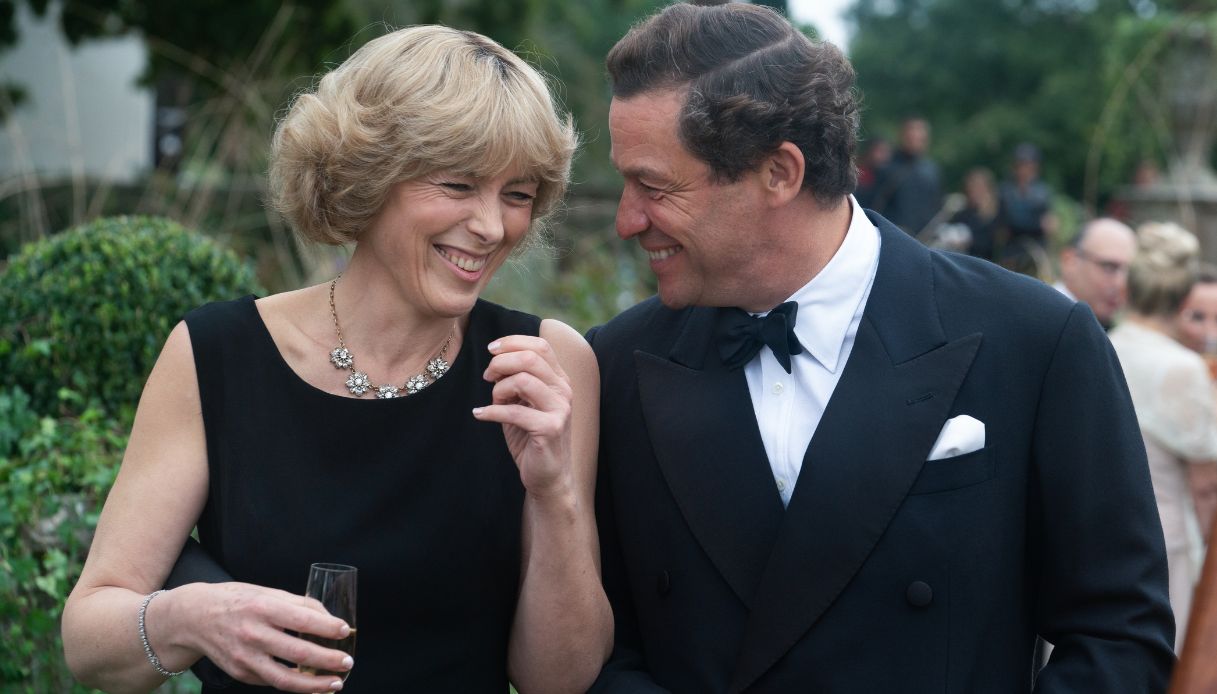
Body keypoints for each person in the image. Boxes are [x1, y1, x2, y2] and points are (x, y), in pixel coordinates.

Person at [588, 3, 1174, 692]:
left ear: (779, 172)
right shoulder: (615, 365)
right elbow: (601, 653)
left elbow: (1117, 637)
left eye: (654, 187)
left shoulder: (1036, 341)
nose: (627, 220)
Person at [61, 26, 612, 694]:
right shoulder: (217, 354)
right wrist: (191, 619)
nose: (492, 226)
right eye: (458, 184)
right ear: (367, 175)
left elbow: (560, 679)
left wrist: (553, 494)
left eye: (517, 195)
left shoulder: (545, 367)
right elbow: (89, 640)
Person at [1110, 222, 1217, 652]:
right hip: (1164, 547)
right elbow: (1206, 487)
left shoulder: (1104, 343)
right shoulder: (1181, 368)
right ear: (1183, 297)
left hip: (1101, 535)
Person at [1055, 217, 1138, 330]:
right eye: (1109, 267)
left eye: (1130, 272)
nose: (1121, 283)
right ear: (1069, 261)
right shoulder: (1042, 319)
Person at [868, 117, 942, 235]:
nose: (915, 136)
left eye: (919, 133)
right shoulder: (886, 168)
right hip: (894, 236)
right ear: (902, 135)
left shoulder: (931, 170)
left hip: (926, 239)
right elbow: (875, 206)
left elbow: (937, 207)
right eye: (911, 132)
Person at [997, 142, 1056, 272]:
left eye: (1029, 166)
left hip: (1036, 248)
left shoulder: (1043, 192)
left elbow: (1047, 225)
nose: (1025, 170)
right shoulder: (1005, 191)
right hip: (1013, 248)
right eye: (1022, 165)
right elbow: (1005, 225)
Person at [947, 167, 1000, 260]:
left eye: (979, 188)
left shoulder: (998, 211)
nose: (975, 193)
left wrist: (984, 214)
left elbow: (991, 243)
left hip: (986, 260)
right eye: (972, 189)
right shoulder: (963, 212)